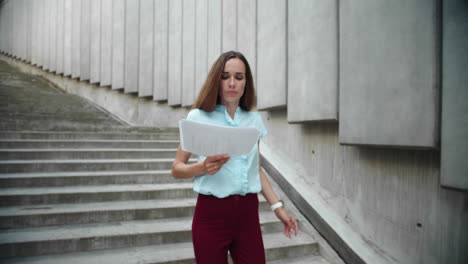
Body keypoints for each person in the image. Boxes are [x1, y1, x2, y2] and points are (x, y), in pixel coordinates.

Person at [171, 51, 298, 264]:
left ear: (246, 83)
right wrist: (202, 167)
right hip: (211, 215)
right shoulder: (198, 117)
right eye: (225, 76)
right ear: (216, 80)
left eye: (239, 77)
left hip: (247, 215)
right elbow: (177, 168)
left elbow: (255, 168)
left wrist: (278, 208)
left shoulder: (253, 120)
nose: (232, 83)